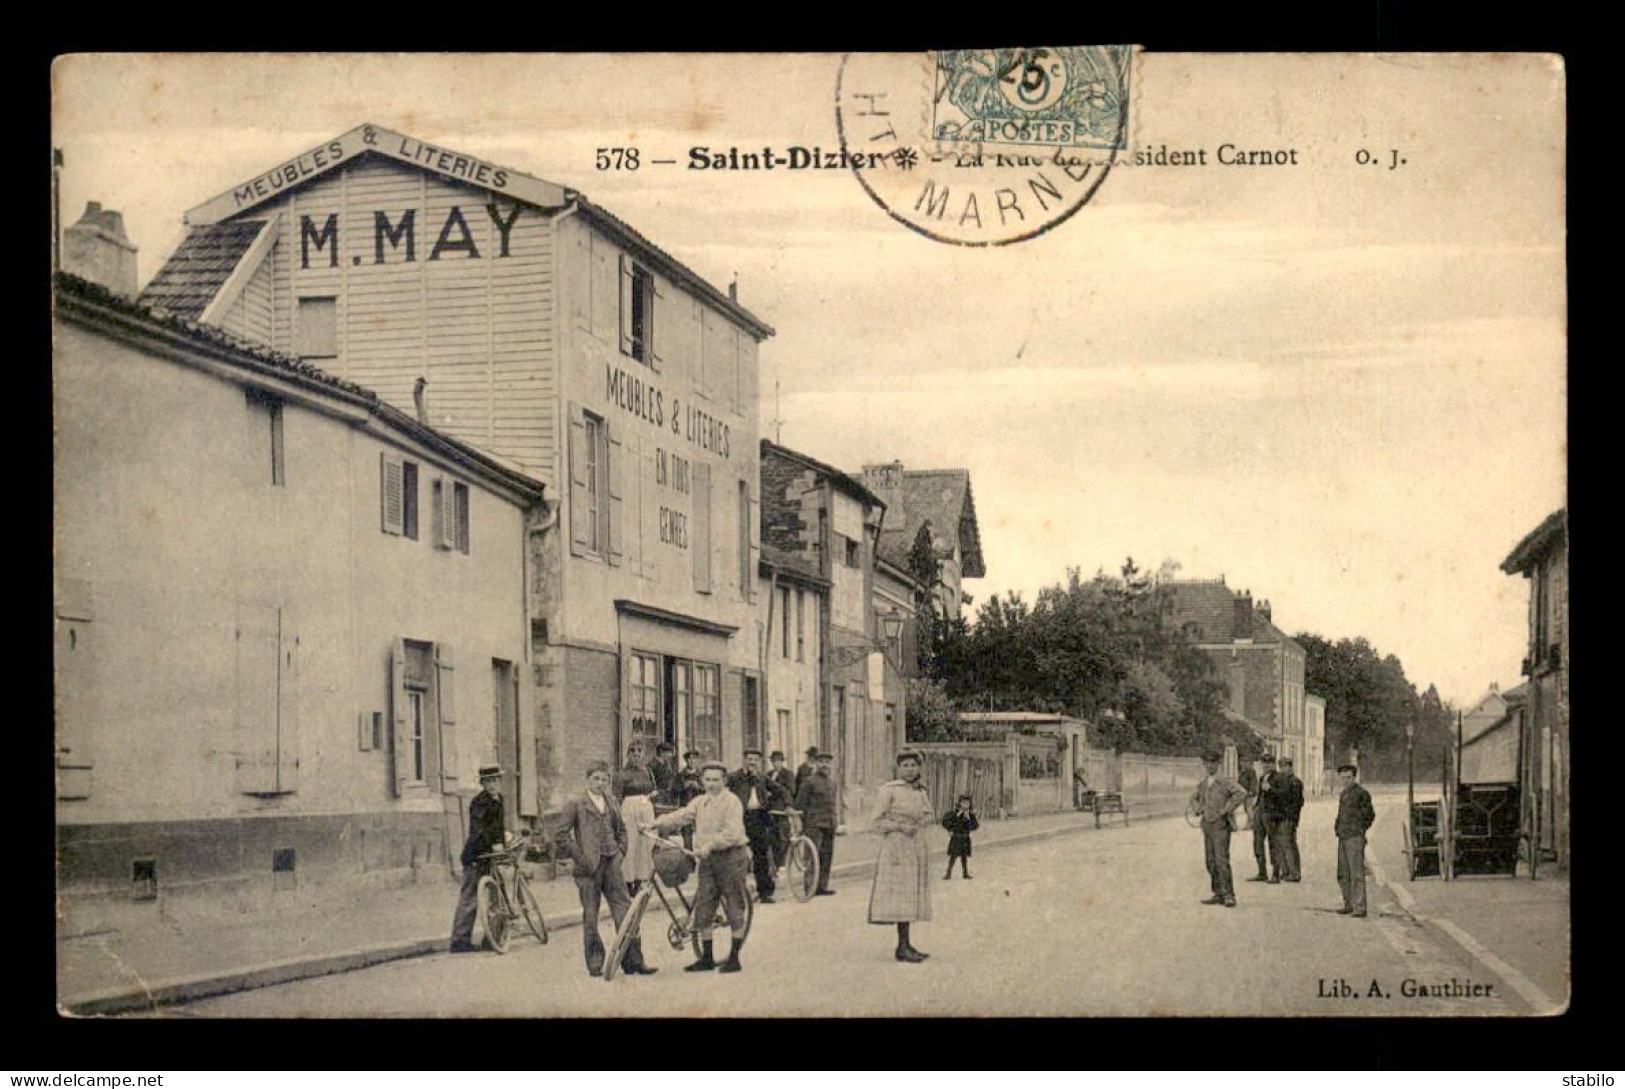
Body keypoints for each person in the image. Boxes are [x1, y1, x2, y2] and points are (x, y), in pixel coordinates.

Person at [649, 762, 752, 973]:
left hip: (731, 857)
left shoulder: (732, 802)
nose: (711, 784)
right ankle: (706, 957)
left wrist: (710, 845)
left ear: (724, 781)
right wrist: (657, 823)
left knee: (733, 904)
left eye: (716, 780)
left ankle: (734, 958)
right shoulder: (700, 802)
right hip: (708, 860)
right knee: (704, 905)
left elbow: (733, 833)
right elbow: (682, 816)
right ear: (702, 781)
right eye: (708, 780)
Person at [556, 761, 654, 977]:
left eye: (604, 779)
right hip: (588, 868)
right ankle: (595, 963)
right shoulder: (576, 803)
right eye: (596, 779)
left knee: (626, 911)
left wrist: (620, 852)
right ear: (587, 780)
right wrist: (580, 857)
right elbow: (561, 835)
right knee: (591, 916)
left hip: (612, 863)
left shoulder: (611, 801)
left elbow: (622, 829)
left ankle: (633, 961)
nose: (600, 783)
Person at [869, 750, 934, 962]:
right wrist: (900, 826)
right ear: (898, 768)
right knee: (900, 895)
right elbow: (876, 823)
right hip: (896, 848)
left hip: (915, 847)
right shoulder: (889, 791)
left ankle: (906, 945)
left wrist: (922, 821)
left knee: (911, 894)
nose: (909, 770)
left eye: (913, 766)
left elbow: (929, 814)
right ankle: (902, 945)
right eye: (905, 766)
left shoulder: (920, 791)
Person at [449, 765, 507, 953]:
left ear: (500, 782)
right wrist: (493, 844)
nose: (492, 785)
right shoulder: (479, 803)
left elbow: (498, 828)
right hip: (476, 855)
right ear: (482, 784)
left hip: (491, 856)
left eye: (495, 780)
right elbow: (478, 831)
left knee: (498, 895)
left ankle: (493, 938)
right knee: (471, 898)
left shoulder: (499, 800)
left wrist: (504, 840)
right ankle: (460, 940)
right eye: (488, 781)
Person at [728, 749, 790, 903]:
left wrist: (785, 804)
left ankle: (765, 893)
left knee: (761, 855)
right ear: (744, 760)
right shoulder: (735, 777)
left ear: (759, 762)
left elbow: (780, 790)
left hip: (759, 818)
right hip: (740, 819)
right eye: (750, 759)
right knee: (737, 855)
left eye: (755, 759)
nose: (752, 762)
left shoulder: (763, 778)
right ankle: (737, 895)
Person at [1189, 749, 1247, 908]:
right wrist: (1197, 808)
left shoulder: (1225, 781)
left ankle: (1229, 895)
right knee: (1210, 861)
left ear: (1218, 763)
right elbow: (1193, 797)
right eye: (1207, 763)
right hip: (1207, 824)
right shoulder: (1204, 782)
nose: (1209, 766)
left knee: (1221, 860)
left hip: (1221, 825)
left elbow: (1241, 793)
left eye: (1212, 762)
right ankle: (1218, 892)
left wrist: (1227, 809)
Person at [793, 749, 839, 895]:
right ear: (816, 763)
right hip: (814, 825)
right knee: (812, 857)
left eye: (827, 762)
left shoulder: (832, 783)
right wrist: (801, 823)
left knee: (826, 857)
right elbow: (800, 804)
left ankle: (822, 887)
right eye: (822, 762)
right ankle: (810, 888)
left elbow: (833, 804)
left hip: (829, 824)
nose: (825, 765)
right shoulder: (809, 781)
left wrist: (835, 822)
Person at [614, 743, 658, 893]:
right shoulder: (621, 774)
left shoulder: (647, 772)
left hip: (645, 808)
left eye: (639, 752)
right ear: (628, 755)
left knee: (645, 843)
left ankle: (642, 878)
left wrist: (651, 796)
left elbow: (654, 789)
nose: (636, 755)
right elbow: (617, 797)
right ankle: (628, 881)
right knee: (631, 843)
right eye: (632, 752)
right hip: (629, 809)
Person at [1334, 763, 1375, 917]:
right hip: (1343, 836)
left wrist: (1359, 830)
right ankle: (1348, 904)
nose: (1345, 781)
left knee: (1356, 873)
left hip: (1354, 837)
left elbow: (1369, 815)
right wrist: (1338, 827)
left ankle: (1360, 907)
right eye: (1343, 778)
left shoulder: (1362, 794)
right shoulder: (1344, 794)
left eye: (1348, 778)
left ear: (1354, 777)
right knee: (1343, 872)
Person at [1248, 753, 1282, 882]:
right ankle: (1261, 872)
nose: (1266, 766)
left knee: (1273, 843)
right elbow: (1260, 794)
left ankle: (1275, 874)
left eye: (1269, 763)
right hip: (1260, 813)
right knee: (1257, 842)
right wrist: (1255, 807)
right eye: (1264, 763)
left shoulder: (1279, 778)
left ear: (1273, 764)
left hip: (1272, 814)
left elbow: (1284, 795)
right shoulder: (1262, 777)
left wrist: (1271, 789)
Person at [1275, 756, 1305, 882]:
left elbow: (1296, 801)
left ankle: (1294, 872)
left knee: (1288, 844)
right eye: (1282, 767)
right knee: (1286, 844)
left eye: (1286, 766)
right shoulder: (1286, 780)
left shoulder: (1294, 782)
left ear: (1290, 767)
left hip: (1288, 817)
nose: (1283, 769)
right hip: (1285, 816)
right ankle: (1287, 871)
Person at [767, 750, 796, 869]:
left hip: (782, 808)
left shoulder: (788, 774)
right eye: (774, 761)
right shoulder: (768, 774)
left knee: (783, 835)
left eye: (778, 761)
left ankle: (784, 862)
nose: (776, 764)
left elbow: (790, 790)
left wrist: (787, 805)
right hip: (770, 809)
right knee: (773, 837)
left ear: (782, 762)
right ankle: (776, 862)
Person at [941, 794, 979, 879]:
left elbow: (975, 826)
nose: (965, 805)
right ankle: (948, 873)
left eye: (967, 803)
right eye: (963, 803)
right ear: (960, 803)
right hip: (956, 838)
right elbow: (945, 821)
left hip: (965, 838)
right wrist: (950, 829)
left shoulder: (970, 815)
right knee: (953, 857)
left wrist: (969, 818)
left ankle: (965, 873)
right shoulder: (955, 813)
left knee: (964, 857)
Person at [650, 741, 680, 807]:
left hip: (668, 797)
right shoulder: (652, 765)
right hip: (658, 798)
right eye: (669, 752)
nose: (671, 755)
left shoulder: (668, 765)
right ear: (661, 752)